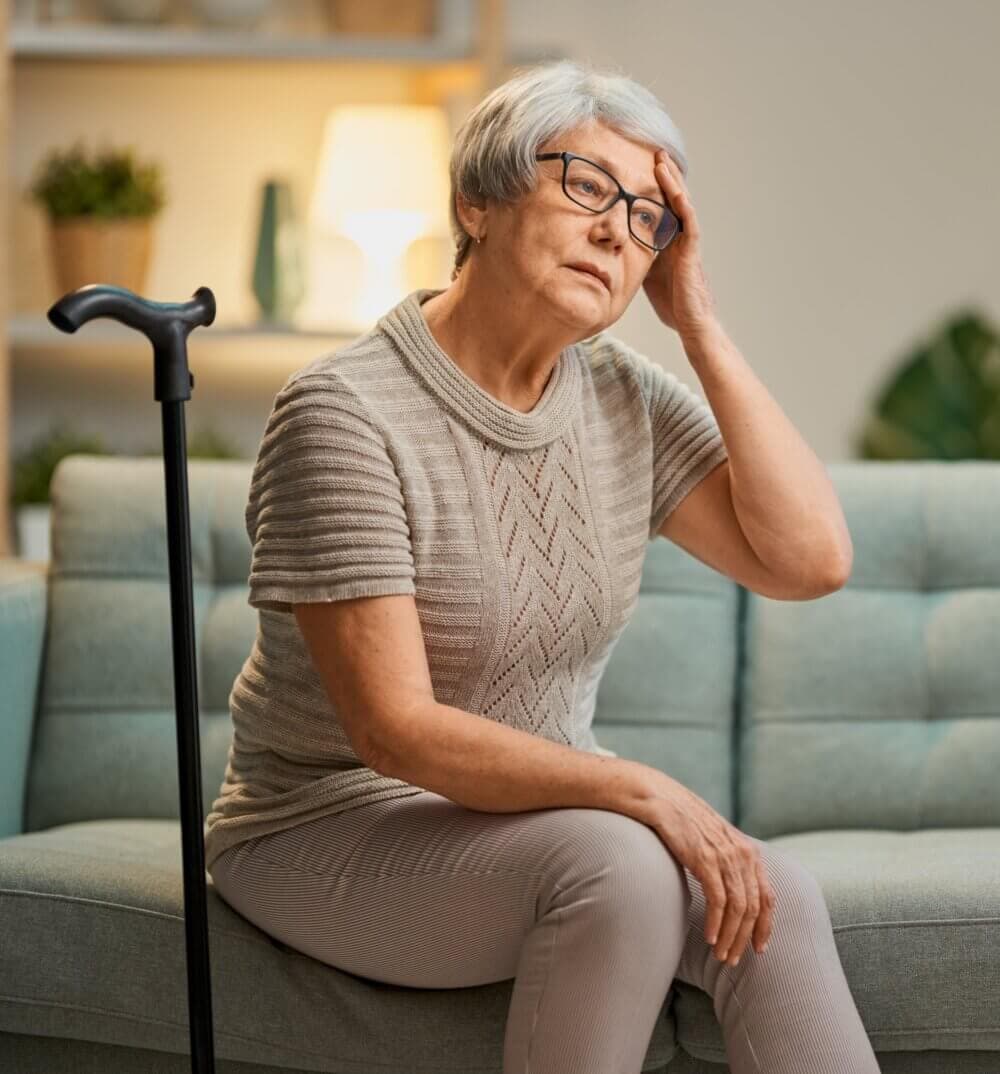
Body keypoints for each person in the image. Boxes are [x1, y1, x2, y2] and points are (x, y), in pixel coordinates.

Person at [205, 58, 877, 1074]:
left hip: (536, 823)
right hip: (325, 824)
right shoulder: (342, 413)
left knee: (773, 903)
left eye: (650, 216)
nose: (618, 230)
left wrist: (693, 320)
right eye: (586, 186)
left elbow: (811, 560)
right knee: (621, 863)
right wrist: (643, 791)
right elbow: (395, 729)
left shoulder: (621, 397)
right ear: (477, 199)